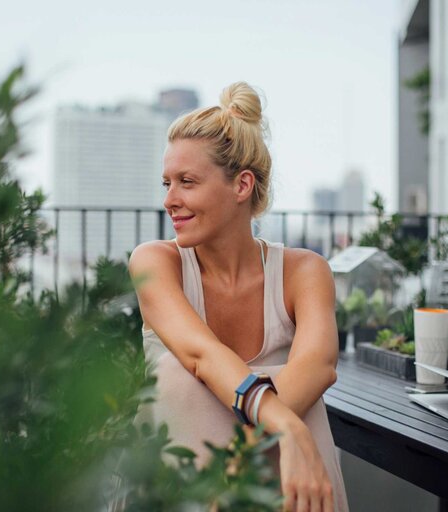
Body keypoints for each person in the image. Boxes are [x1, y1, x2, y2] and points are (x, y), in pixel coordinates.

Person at [128, 82, 348, 512]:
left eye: (186, 182)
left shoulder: (305, 271)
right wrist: (285, 424)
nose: (170, 200)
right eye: (167, 183)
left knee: (302, 398)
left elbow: (318, 365)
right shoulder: (154, 262)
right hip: (181, 483)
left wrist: (238, 459)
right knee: (179, 375)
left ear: (242, 185)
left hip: (270, 485)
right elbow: (201, 356)